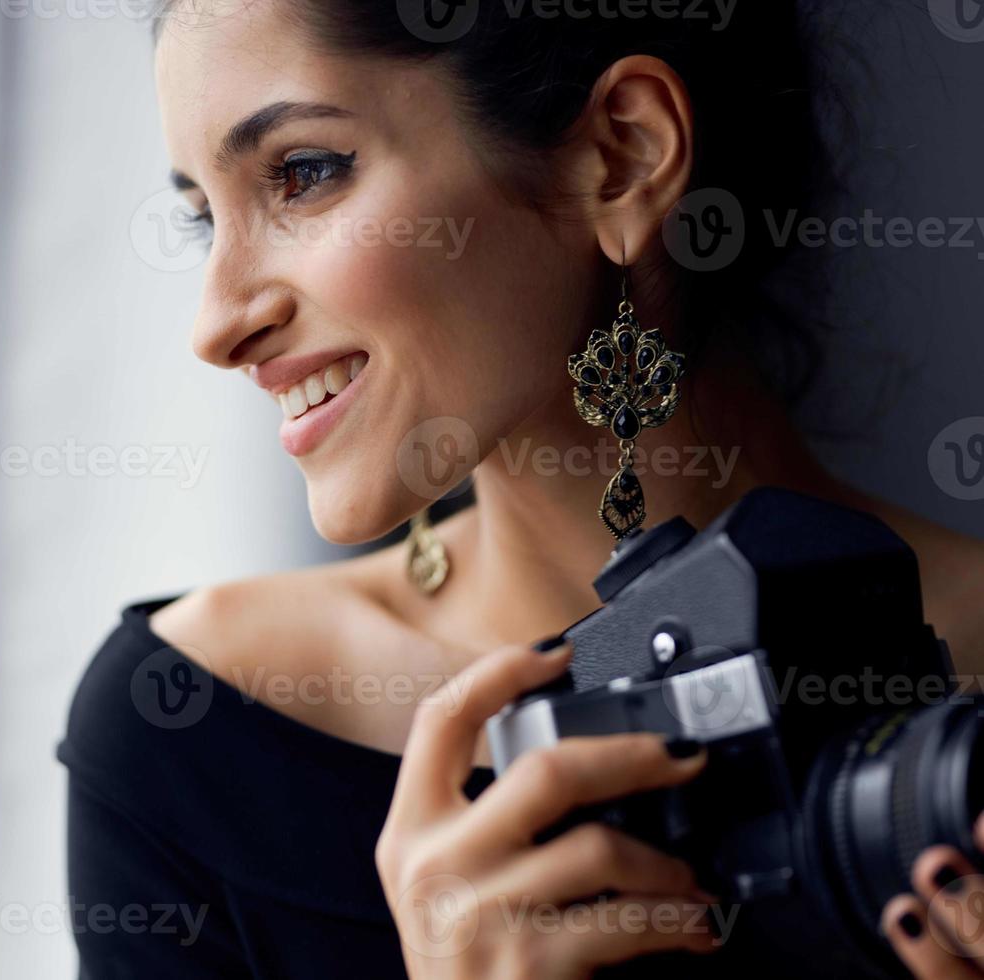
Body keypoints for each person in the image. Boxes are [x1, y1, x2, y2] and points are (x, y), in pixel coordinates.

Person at [57, 1, 984, 976]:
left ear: (619, 155)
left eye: (303, 173)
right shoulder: (193, 731)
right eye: (203, 215)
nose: (213, 323)